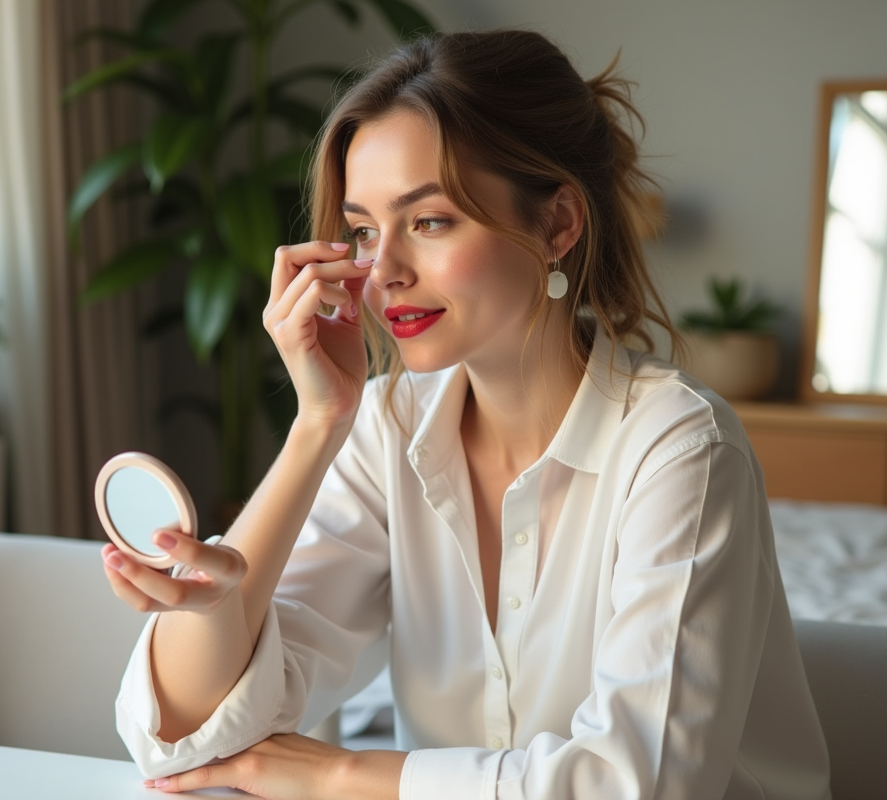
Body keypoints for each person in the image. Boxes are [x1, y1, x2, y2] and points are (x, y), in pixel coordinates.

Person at [100, 29, 831, 800]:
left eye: (430, 220)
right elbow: (175, 741)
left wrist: (342, 774)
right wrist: (319, 424)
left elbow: (635, 786)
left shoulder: (680, 450)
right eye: (362, 231)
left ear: (558, 226)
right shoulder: (384, 426)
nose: (383, 272)